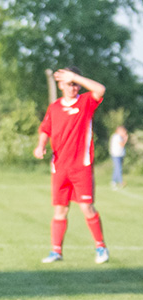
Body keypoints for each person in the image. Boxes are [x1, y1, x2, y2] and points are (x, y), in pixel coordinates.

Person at [34, 67, 109, 264]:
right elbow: (45, 128)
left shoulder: (85, 102)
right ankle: (56, 251)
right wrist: (41, 145)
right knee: (60, 210)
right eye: (68, 83)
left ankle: (101, 247)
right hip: (59, 167)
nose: (72, 87)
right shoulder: (55, 107)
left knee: (87, 208)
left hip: (81, 166)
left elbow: (100, 89)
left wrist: (76, 76)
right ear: (60, 85)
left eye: (74, 84)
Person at [110, 125, 128, 190]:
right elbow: (122, 145)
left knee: (116, 169)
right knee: (118, 168)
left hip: (119, 155)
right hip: (116, 155)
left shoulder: (118, 136)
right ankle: (121, 182)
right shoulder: (117, 136)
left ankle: (113, 182)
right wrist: (125, 139)